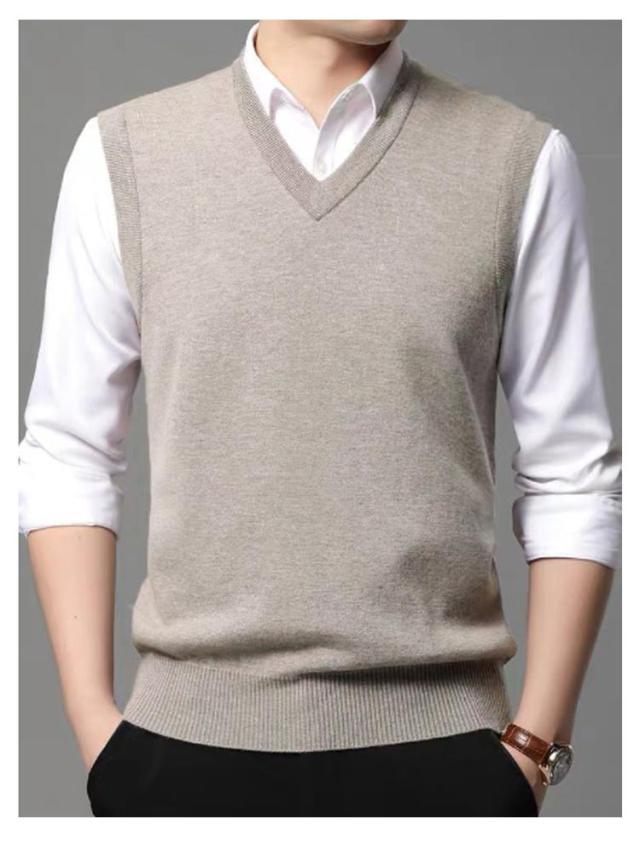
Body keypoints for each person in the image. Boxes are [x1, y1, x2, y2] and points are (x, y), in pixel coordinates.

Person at [18, 20, 622, 817]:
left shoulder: (518, 159)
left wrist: (532, 751)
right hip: (180, 752)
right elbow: (68, 451)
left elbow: (573, 472)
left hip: (449, 755)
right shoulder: (124, 153)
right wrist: (96, 727)